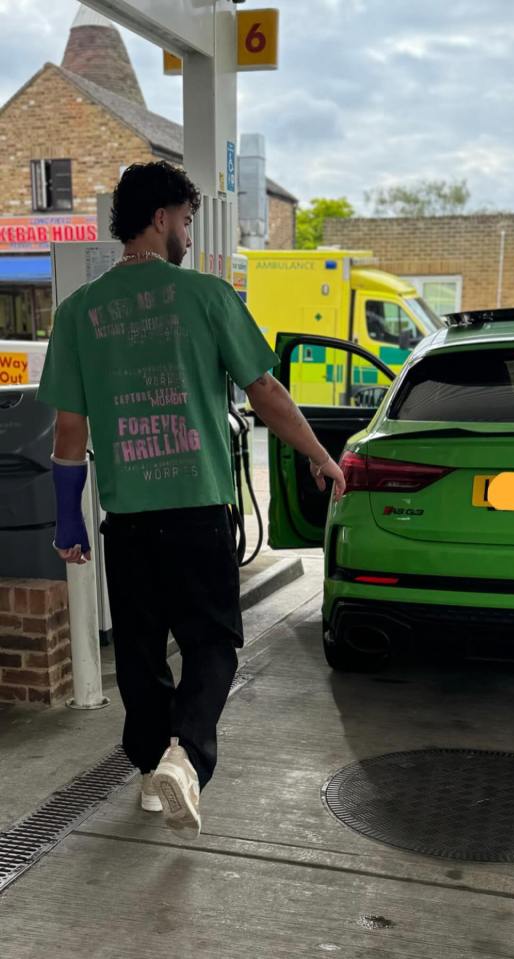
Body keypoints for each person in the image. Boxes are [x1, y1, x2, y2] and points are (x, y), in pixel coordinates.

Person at [37, 161, 345, 839]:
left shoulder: (79, 313)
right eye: (185, 219)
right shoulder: (205, 296)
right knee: (211, 643)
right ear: (160, 217)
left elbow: (67, 433)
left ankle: (152, 768)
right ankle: (185, 756)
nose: (185, 232)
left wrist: (67, 520)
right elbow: (264, 392)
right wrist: (320, 455)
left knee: (141, 654)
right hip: (197, 510)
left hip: (130, 521)